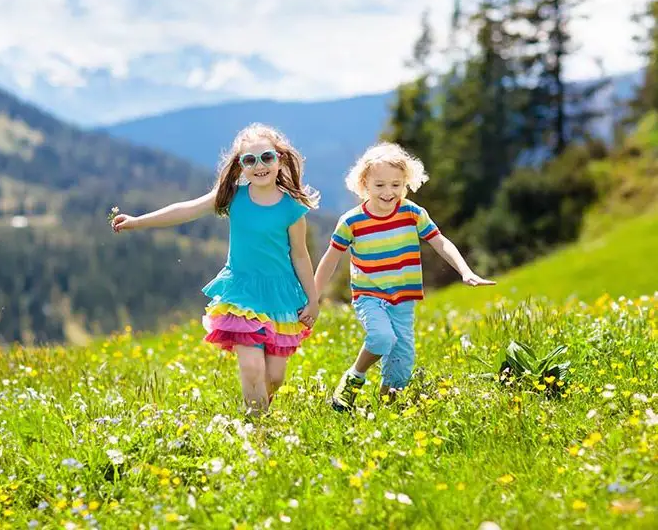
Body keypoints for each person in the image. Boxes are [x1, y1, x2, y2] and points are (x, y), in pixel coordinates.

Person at [111, 123, 319, 414]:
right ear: (240, 166)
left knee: (274, 377)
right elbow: (185, 209)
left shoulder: (292, 208)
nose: (259, 166)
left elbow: (300, 255)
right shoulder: (233, 196)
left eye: (267, 158)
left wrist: (313, 299)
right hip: (242, 293)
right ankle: (256, 426)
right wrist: (137, 221)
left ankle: (261, 406)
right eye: (250, 160)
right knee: (251, 367)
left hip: (280, 294)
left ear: (280, 159)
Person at [313, 142, 494, 412]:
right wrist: (313, 297)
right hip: (369, 295)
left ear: (406, 183)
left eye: (396, 185)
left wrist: (465, 271)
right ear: (364, 184)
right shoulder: (351, 222)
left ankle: (387, 409)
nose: (388, 192)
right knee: (382, 338)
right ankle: (353, 379)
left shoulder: (413, 213)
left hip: (403, 298)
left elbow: (440, 242)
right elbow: (330, 259)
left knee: (402, 358)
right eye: (380, 185)